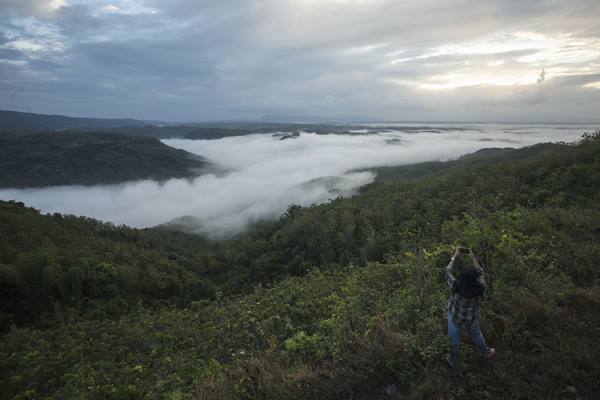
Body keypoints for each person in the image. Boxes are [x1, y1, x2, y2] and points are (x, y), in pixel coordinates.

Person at [446, 247, 496, 368]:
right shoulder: (481, 287)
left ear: (462, 274)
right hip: (471, 317)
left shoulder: (456, 283)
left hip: (455, 317)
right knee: (477, 335)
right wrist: (473, 257)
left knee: (454, 341)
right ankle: (486, 351)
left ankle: (454, 362)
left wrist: (454, 257)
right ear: (475, 277)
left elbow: (447, 271)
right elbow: (480, 271)